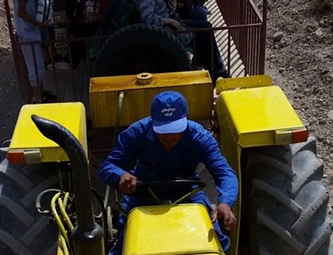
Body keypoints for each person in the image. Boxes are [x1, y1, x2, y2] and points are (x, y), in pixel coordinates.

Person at [99, 91, 238, 255]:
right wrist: (120, 175)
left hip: (188, 192)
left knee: (214, 238)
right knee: (125, 242)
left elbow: (224, 173)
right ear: (152, 121)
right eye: (163, 130)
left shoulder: (200, 137)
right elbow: (108, 166)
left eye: (175, 129)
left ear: (186, 119)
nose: (170, 136)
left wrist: (225, 203)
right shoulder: (137, 132)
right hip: (143, 192)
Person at [132, 0, 228, 80]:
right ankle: (218, 72)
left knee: (205, 26)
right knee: (204, 31)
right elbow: (147, 17)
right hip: (164, 32)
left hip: (171, 24)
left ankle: (216, 70)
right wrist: (169, 21)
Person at [13, 0, 56, 103]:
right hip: (28, 33)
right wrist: (38, 23)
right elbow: (22, 12)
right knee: (35, 70)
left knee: (38, 66)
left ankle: (42, 94)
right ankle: (38, 101)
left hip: (31, 32)